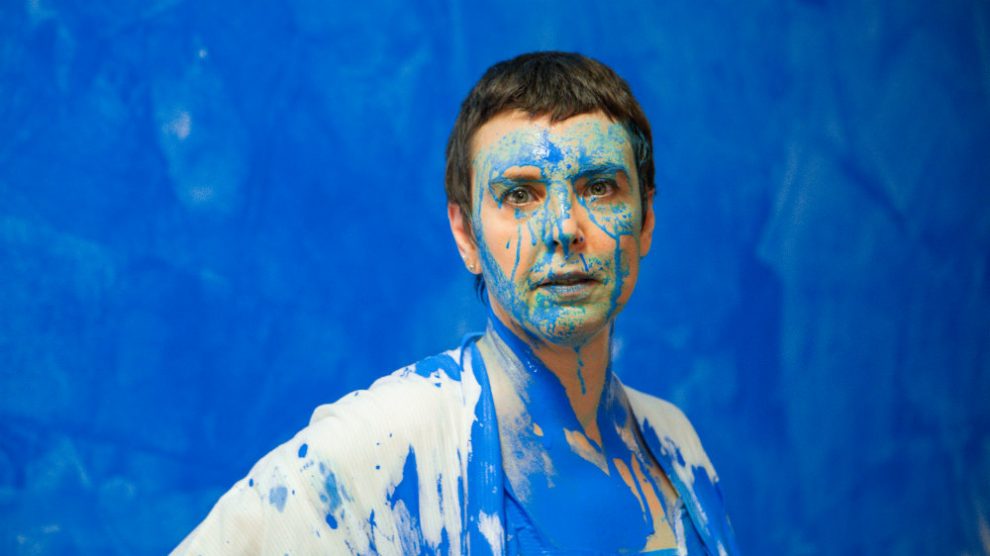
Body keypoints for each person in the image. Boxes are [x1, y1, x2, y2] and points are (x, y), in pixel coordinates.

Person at [173, 51, 738, 555]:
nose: (564, 227)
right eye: (520, 194)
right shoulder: (384, 446)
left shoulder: (674, 444)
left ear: (646, 220)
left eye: (598, 187)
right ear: (466, 235)